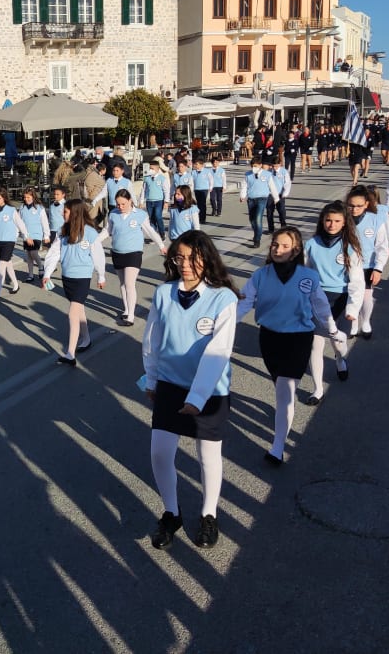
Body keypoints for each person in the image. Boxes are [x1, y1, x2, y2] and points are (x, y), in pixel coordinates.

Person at [143, 230, 239, 550]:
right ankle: (172, 513)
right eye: (179, 257)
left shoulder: (223, 298)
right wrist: (151, 379)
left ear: (206, 259)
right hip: (170, 385)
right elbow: (152, 340)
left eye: (192, 258)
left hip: (210, 392)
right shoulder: (163, 293)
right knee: (159, 452)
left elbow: (219, 351)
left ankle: (209, 514)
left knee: (208, 455)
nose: (184, 264)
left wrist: (197, 397)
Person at [236, 227, 343, 466]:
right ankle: (284, 418)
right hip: (269, 338)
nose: (278, 249)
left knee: (285, 390)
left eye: (285, 246)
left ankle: (277, 447)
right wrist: (222, 328)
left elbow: (321, 306)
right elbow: (243, 304)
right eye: (275, 245)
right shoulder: (260, 275)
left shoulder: (308, 277)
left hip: (298, 338)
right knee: (281, 388)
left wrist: (333, 330)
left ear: (296, 250)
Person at [304, 201, 363, 406]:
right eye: (328, 220)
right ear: (322, 220)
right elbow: (304, 273)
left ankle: (339, 359)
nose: (332, 224)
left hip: (341, 299)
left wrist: (353, 308)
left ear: (344, 222)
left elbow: (357, 281)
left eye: (337, 221)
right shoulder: (311, 244)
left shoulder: (350, 247)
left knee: (338, 343)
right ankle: (318, 389)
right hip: (317, 298)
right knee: (315, 344)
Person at [41, 199, 106, 366]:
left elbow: (98, 255)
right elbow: (54, 252)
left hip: (82, 277)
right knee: (79, 310)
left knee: (72, 313)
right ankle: (87, 339)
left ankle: (70, 353)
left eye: (65, 211)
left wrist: (101, 275)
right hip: (67, 277)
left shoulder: (90, 232)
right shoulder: (63, 231)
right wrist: (47, 273)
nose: (62, 213)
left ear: (75, 213)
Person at [106, 189, 166, 326]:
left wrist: (161, 245)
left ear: (130, 201)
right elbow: (107, 231)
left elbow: (150, 231)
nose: (120, 207)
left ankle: (131, 316)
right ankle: (126, 309)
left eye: (123, 204)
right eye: (118, 204)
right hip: (117, 252)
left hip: (134, 253)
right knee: (122, 283)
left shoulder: (140, 214)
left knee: (129, 283)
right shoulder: (113, 214)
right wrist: (94, 242)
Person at [346, 185, 389, 339]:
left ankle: (365, 322)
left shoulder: (375, 219)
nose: (354, 209)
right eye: (351, 206)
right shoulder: (343, 219)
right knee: (350, 295)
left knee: (366, 297)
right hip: (347, 265)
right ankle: (353, 324)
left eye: (359, 206)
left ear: (366, 204)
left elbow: (382, 246)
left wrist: (378, 268)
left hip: (367, 266)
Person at [239, 156, 279, 248]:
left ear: (260, 165)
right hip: (251, 199)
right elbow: (244, 186)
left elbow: (272, 186)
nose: (254, 168)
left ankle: (257, 239)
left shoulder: (267, 174)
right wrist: (242, 195)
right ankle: (257, 233)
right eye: (252, 166)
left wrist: (276, 198)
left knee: (258, 218)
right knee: (252, 220)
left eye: (256, 166)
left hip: (262, 199)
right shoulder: (248, 174)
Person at [18, 187, 50, 283]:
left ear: (33, 197)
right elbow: (18, 222)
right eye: (25, 197)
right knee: (28, 255)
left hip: (36, 234)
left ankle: (40, 266)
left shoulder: (39, 208)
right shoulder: (22, 208)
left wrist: (46, 235)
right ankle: (30, 275)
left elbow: (44, 222)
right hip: (26, 235)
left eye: (28, 197)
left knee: (33, 252)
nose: (26, 199)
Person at [141, 158, 171, 239]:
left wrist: (166, 201)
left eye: (152, 168)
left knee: (158, 217)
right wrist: (141, 201)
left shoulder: (162, 178)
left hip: (159, 201)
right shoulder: (146, 178)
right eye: (150, 168)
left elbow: (166, 190)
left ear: (157, 169)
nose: (151, 170)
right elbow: (143, 190)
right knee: (152, 218)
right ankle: (154, 235)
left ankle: (162, 233)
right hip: (149, 201)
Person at [266, 156, 292, 232]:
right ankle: (271, 228)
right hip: (270, 194)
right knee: (269, 211)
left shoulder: (284, 172)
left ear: (280, 164)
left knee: (281, 210)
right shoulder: (268, 172)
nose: (274, 168)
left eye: (276, 166)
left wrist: (285, 193)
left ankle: (283, 226)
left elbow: (287, 183)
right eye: (273, 166)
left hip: (280, 194)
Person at [190, 155, 214, 224]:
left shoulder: (207, 171)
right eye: (195, 164)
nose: (195, 165)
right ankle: (198, 217)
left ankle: (203, 218)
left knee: (203, 203)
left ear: (201, 164)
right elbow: (191, 181)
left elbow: (211, 179)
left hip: (204, 189)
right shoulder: (193, 172)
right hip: (196, 189)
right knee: (198, 203)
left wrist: (211, 187)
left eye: (197, 164)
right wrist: (191, 189)